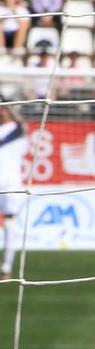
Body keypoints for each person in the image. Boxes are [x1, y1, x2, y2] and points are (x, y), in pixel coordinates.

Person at [0, 105, 26, 279]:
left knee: (10, 225)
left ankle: (6, 267)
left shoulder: (17, 131)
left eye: (3, 109)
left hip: (10, 186)